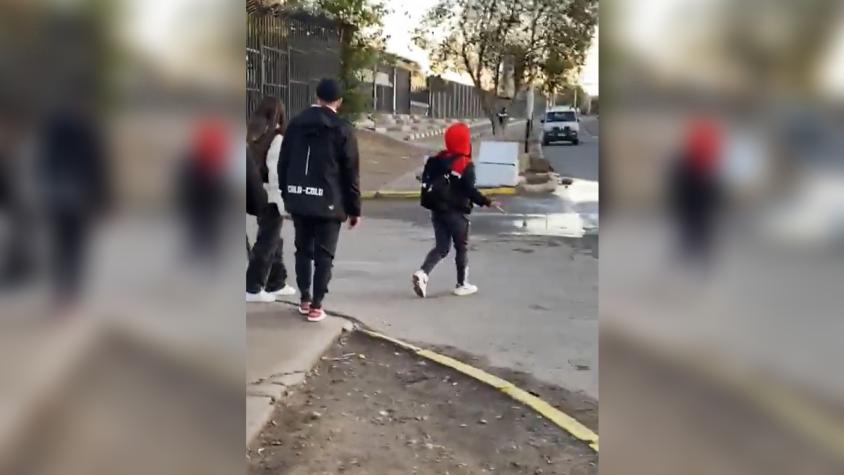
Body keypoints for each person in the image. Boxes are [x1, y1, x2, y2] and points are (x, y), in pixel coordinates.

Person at [279, 78, 361, 322]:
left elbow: (284, 163)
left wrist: (288, 194)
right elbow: (351, 172)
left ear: (316, 96)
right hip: (329, 201)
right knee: (324, 255)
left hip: (299, 199)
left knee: (302, 250)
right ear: (339, 101)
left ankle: (303, 298)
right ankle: (317, 305)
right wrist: (354, 208)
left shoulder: (295, 124)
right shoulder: (343, 129)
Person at [412, 122, 500, 298]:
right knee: (461, 248)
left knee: (442, 247)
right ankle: (462, 284)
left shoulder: (436, 159)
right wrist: (488, 202)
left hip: (437, 211)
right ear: (464, 142)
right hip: (456, 214)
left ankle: (423, 273)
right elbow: (470, 190)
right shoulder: (465, 164)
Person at [246, 97, 296, 302]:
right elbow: (277, 174)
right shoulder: (277, 139)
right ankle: (253, 287)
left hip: (259, 194)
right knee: (267, 241)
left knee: (273, 239)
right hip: (273, 197)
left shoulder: (254, 137)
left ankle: (276, 281)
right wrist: (286, 203)